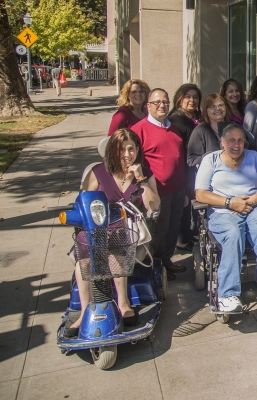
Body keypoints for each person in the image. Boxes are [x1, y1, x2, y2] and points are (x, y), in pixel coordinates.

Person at [66, 128, 161, 336]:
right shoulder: (98, 172)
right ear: (112, 151)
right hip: (99, 229)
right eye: (121, 149)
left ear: (137, 150)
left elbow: (154, 206)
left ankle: (124, 303)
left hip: (130, 231)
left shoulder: (144, 173)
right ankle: (85, 311)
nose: (127, 154)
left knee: (118, 239)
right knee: (85, 245)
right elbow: (83, 204)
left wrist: (142, 180)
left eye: (131, 149)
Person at [194, 124, 257, 312]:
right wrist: (230, 202)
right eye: (231, 140)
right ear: (222, 142)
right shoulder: (210, 160)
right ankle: (228, 295)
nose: (236, 145)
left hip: (254, 205)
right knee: (233, 235)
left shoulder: (254, 157)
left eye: (240, 140)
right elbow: (201, 194)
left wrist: (251, 200)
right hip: (222, 210)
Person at [132, 88, 187, 280]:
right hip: (157, 192)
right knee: (158, 232)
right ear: (148, 106)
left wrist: (185, 191)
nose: (161, 105)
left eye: (165, 102)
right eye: (157, 102)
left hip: (178, 190)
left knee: (173, 228)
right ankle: (155, 269)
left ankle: (166, 262)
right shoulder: (139, 130)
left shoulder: (173, 127)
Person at [168, 84, 203, 252]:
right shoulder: (176, 119)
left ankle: (195, 234)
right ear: (179, 99)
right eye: (188, 97)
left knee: (195, 201)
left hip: (196, 167)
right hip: (185, 167)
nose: (192, 100)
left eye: (195, 97)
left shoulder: (196, 117)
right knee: (186, 202)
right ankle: (182, 241)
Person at [188, 93, 229, 168]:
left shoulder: (234, 127)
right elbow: (191, 160)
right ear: (206, 110)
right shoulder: (200, 131)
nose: (218, 109)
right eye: (213, 107)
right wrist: (210, 157)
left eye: (221, 105)